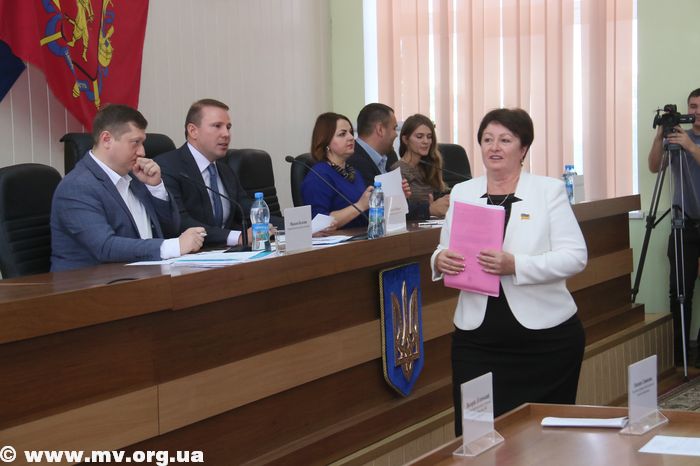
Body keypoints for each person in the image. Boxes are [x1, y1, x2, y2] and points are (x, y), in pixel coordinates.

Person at [431, 108, 588, 435]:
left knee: (543, 442)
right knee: (476, 437)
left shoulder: (548, 191)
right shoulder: (462, 192)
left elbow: (575, 257)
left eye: (505, 140)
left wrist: (516, 265)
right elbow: (444, 247)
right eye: (487, 139)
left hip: (546, 340)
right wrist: (439, 260)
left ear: (523, 148)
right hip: (477, 340)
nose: (494, 147)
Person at [51, 104, 205, 272]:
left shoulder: (136, 176)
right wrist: (173, 246)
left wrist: (156, 187)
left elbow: (171, 230)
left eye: (142, 143)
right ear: (106, 139)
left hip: (144, 275)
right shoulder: (77, 186)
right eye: (135, 143)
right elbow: (104, 247)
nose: (142, 152)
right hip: (89, 283)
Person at [156, 99, 279, 247]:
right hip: (191, 255)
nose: (226, 134)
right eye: (217, 126)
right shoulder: (168, 167)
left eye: (228, 127)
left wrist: (296, 226)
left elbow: (250, 212)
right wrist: (238, 237)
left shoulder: (225, 170)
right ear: (193, 131)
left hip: (227, 254)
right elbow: (180, 222)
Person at [648, 88, 700, 368]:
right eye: (693, 106)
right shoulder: (677, 137)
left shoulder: (687, 142)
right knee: (680, 291)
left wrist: (691, 147)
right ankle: (680, 356)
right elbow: (654, 166)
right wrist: (661, 136)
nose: (696, 111)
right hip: (684, 225)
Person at [348, 102, 426, 219]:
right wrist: (429, 209)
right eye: (394, 128)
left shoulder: (390, 155)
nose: (396, 134)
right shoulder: (353, 159)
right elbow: (377, 206)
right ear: (380, 129)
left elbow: (397, 204)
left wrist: (402, 195)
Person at [301, 112, 373, 229]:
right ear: (326, 142)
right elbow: (318, 223)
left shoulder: (354, 173)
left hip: (362, 236)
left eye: (351, 132)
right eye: (342, 134)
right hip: (337, 240)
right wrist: (360, 206)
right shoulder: (319, 176)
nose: (351, 137)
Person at [390, 114, 450, 218]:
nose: (426, 141)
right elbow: (397, 211)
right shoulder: (397, 170)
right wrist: (429, 208)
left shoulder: (429, 166)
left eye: (429, 137)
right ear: (405, 140)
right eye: (419, 137)